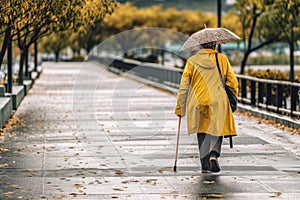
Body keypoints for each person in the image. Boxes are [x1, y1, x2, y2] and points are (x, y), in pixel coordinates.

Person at [174, 42, 238, 173]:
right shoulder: (222, 59)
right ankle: (214, 154)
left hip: (198, 102)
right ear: (214, 44)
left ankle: (205, 165)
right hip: (218, 100)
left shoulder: (192, 61)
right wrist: (233, 97)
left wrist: (180, 107)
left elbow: (184, 86)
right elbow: (232, 82)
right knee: (217, 128)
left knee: (202, 131)